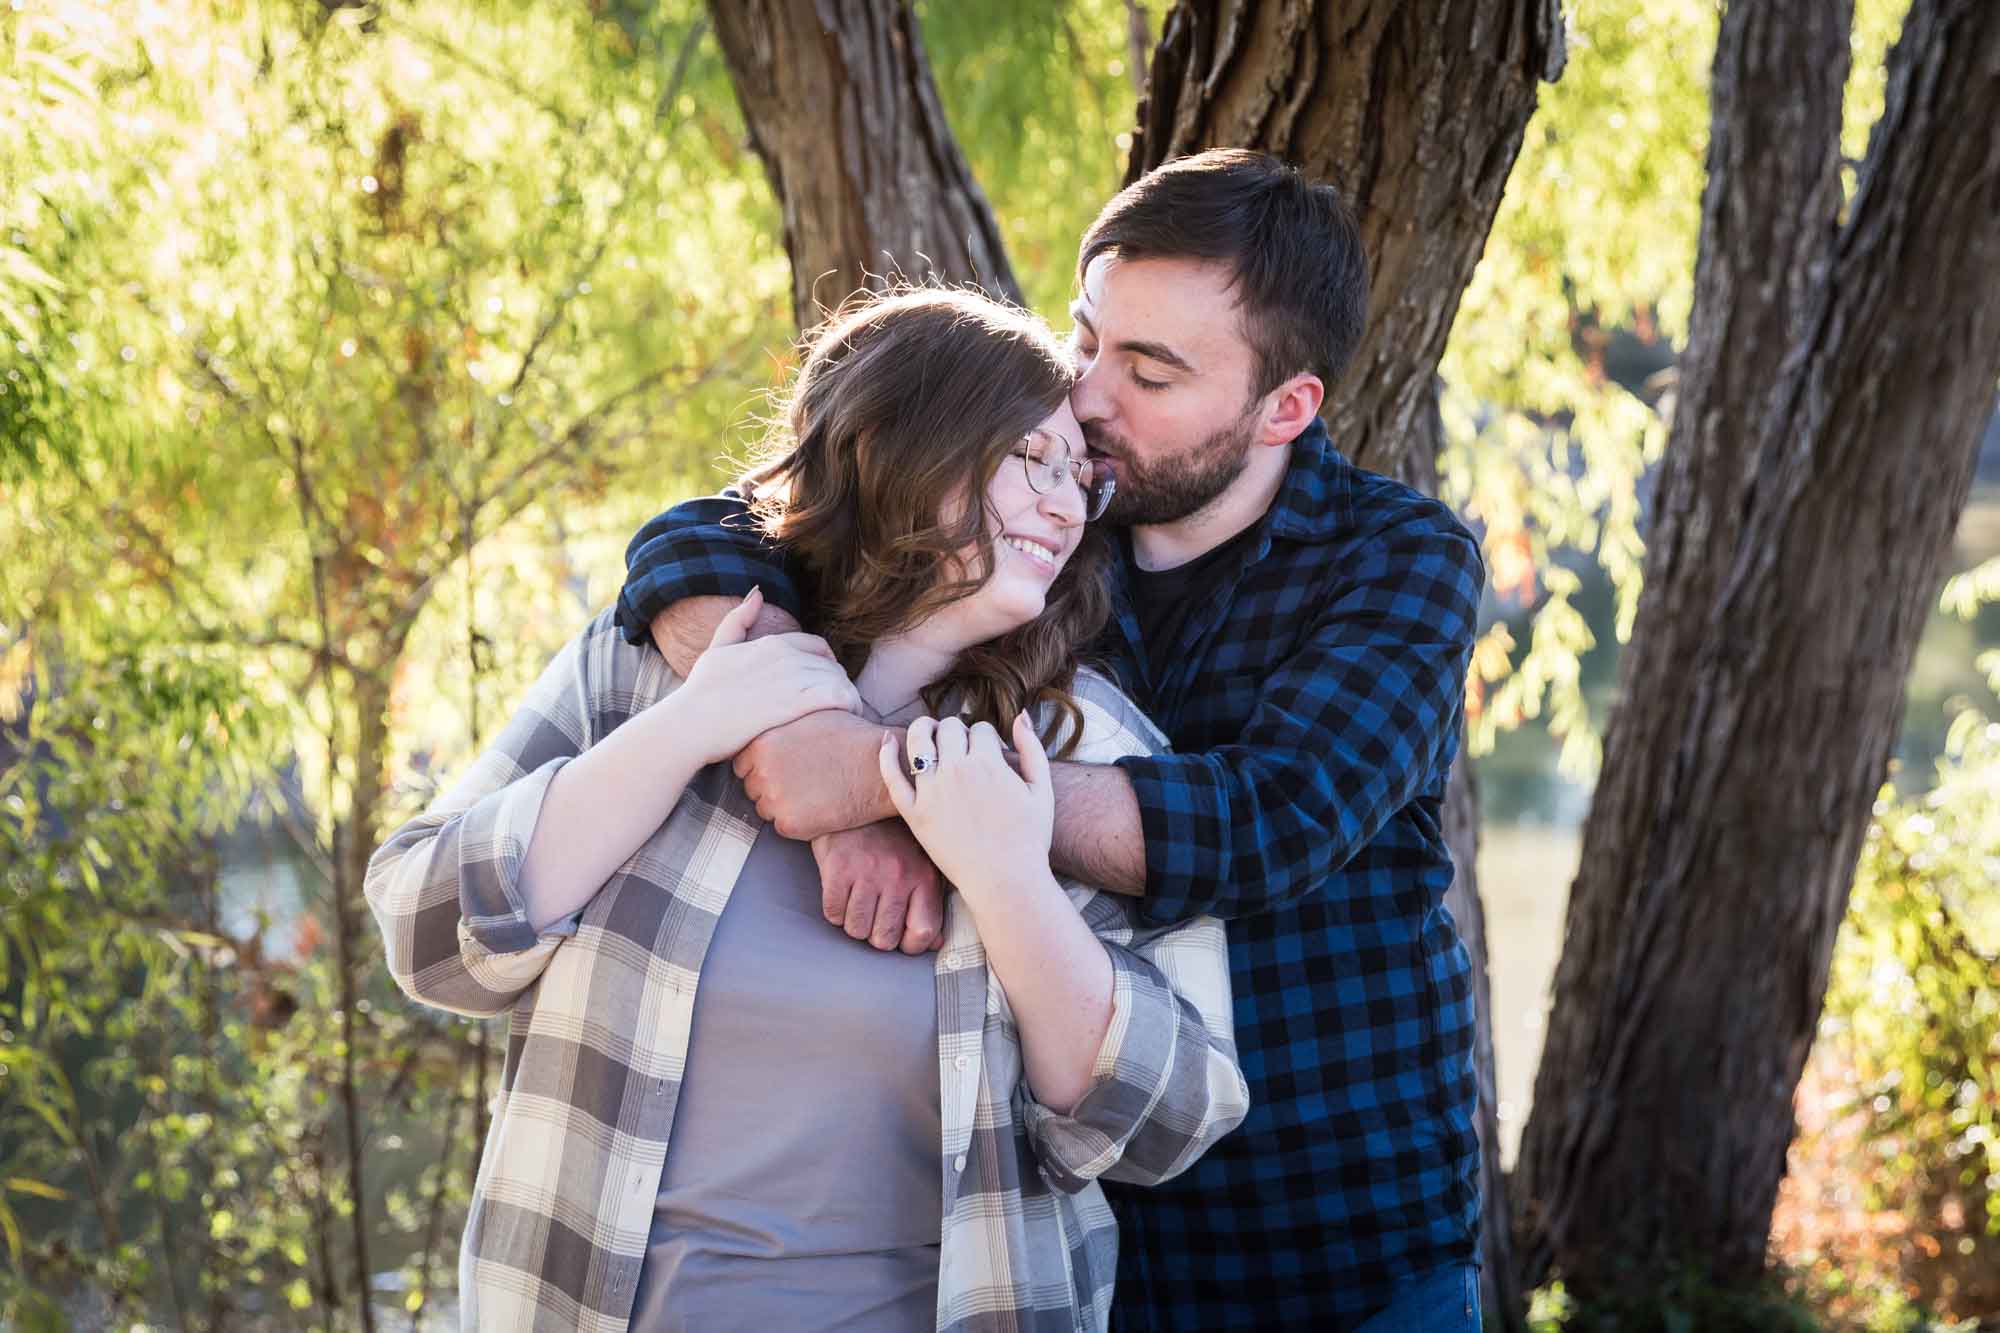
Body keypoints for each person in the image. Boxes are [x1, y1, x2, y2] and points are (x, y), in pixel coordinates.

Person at [616, 150, 1487, 1331]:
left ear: (1286, 406)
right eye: (1084, 338)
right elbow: (704, 539)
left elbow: (1264, 821)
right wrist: (807, 728)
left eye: (1149, 372)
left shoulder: (1398, 562)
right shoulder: (1039, 514)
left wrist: (888, 779)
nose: (1083, 398)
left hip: (1330, 1249)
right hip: (1061, 1253)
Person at [365, 287, 1249, 1332]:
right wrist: (694, 727)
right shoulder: (648, 665)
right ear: (909, 444)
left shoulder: (1081, 750)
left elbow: (1168, 1123)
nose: (1066, 506)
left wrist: (1008, 878)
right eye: (1030, 460)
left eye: (1078, 479)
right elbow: (427, 937)